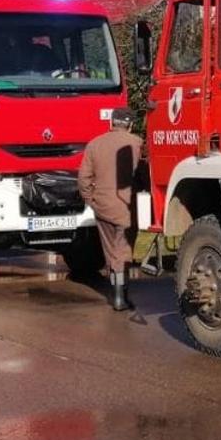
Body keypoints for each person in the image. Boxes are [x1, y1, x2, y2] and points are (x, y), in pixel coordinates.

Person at [78, 108, 144, 312]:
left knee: (110, 250)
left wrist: (90, 200)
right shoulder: (137, 143)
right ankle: (120, 297)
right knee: (123, 249)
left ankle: (117, 294)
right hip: (127, 205)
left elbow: (83, 178)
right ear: (131, 125)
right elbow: (144, 174)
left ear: (111, 123)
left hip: (102, 205)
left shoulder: (94, 144)